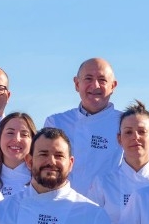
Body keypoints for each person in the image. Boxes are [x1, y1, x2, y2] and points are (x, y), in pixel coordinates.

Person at [44, 58, 123, 191]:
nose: (95, 85)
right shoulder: (56, 122)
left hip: (108, 207)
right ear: (76, 84)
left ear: (113, 86)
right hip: (65, 205)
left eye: (102, 80)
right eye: (88, 78)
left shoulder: (126, 123)